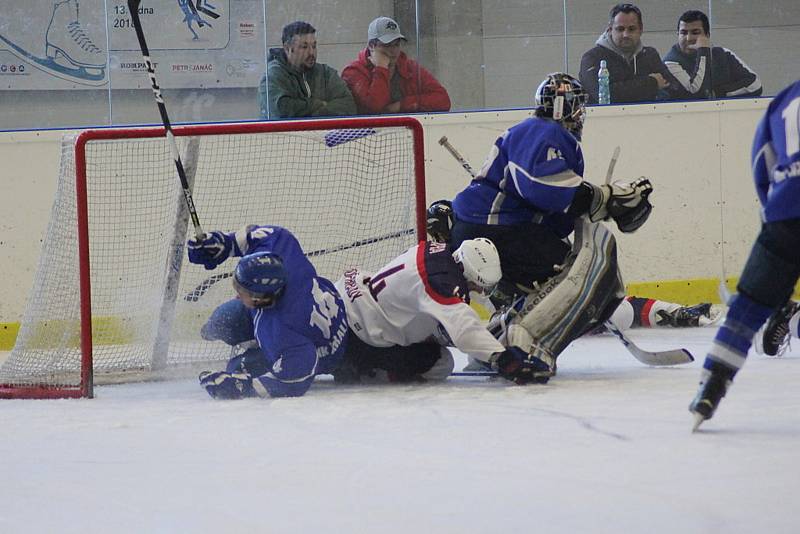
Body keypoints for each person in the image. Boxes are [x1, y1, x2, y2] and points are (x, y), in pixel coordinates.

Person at [447, 72, 654, 377]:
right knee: (593, 265)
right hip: (495, 231)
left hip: (497, 230)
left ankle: (495, 346)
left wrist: (605, 206)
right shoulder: (542, 130)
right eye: (576, 106)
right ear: (562, 107)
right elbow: (541, 187)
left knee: (575, 278)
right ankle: (525, 345)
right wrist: (604, 197)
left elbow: (555, 217)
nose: (580, 114)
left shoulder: (545, 135)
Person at [690, 79, 800, 431]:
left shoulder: (785, 98)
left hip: (784, 216)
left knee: (747, 307)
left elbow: (761, 164)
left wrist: (775, 218)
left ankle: (710, 388)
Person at [333, 238, 552, 385]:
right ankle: (365, 369)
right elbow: (465, 331)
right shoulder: (443, 284)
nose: (478, 291)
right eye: (478, 285)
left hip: (344, 300)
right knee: (441, 363)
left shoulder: (436, 251)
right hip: (362, 336)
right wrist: (505, 359)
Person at [187, 224, 350, 399]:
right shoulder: (283, 253)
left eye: (242, 291)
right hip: (312, 316)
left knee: (238, 367)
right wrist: (224, 243)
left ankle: (246, 354)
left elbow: (294, 381)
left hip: (319, 349)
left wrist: (242, 387)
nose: (237, 294)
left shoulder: (281, 331)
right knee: (225, 318)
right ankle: (211, 332)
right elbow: (269, 235)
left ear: (260, 300)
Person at [341, 16, 451, 115]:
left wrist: (402, 105)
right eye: (387, 45)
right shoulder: (353, 72)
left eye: (397, 45)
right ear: (371, 46)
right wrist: (381, 68)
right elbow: (374, 108)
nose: (393, 51)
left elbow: (443, 100)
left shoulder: (411, 68)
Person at [258, 21, 356, 119]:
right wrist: (318, 104)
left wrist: (315, 114)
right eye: (304, 47)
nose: (311, 52)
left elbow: (349, 106)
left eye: (314, 46)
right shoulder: (273, 76)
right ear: (287, 49)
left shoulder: (326, 73)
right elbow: (282, 111)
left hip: (324, 133)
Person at [579, 3, 672, 104]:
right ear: (610, 29)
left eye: (631, 29)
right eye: (620, 29)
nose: (626, 34)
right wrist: (652, 83)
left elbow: (672, 88)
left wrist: (626, 88)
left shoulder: (650, 55)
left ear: (641, 30)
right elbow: (607, 95)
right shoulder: (592, 58)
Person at [663, 10, 762, 100]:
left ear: (707, 35)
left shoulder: (723, 53)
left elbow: (755, 85)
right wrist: (703, 51)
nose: (688, 38)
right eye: (683, 33)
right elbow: (698, 94)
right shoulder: (670, 63)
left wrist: (717, 93)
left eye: (695, 32)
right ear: (677, 35)